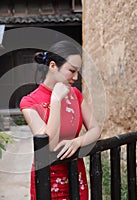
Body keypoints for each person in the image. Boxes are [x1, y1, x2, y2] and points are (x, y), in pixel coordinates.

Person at [19, 40, 101, 200]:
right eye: (71, 70)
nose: (76, 77)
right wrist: (55, 100)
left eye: (78, 71)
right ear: (52, 66)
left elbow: (95, 130)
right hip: (47, 178)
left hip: (76, 174)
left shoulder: (76, 94)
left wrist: (78, 142)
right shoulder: (29, 102)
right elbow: (49, 144)